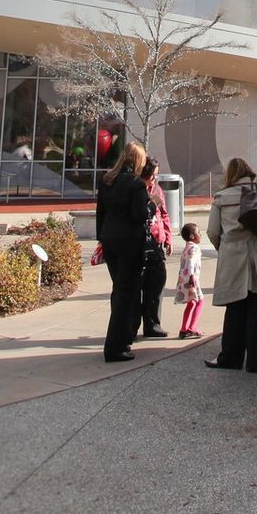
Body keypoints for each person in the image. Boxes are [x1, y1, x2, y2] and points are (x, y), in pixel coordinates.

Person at [204, 156, 257, 374]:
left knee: (235, 309)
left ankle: (230, 358)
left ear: (230, 175)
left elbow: (212, 232)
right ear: (248, 171)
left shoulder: (221, 197)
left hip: (233, 257)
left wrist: (225, 247)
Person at [92, 139, 150, 363]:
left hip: (110, 240)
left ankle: (122, 339)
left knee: (119, 290)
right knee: (126, 293)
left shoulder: (107, 180)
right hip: (129, 243)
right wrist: (151, 204)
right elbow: (139, 216)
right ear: (138, 161)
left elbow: (101, 212)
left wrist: (102, 238)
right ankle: (115, 345)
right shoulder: (135, 184)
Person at [139, 159, 171, 338]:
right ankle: (134, 324)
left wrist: (167, 237)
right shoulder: (137, 190)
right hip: (142, 243)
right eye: (152, 175)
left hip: (157, 242)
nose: (154, 179)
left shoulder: (157, 190)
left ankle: (152, 324)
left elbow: (164, 214)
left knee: (156, 284)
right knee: (139, 286)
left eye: (156, 175)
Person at [174, 222, 205, 339]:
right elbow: (191, 262)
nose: (200, 235)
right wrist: (192, 276)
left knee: (191, 303)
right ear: (192, 236)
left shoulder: (186, 247)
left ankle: (184, 329)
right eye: (199, 233)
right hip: (192, 279)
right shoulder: (194, 248)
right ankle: (192, 328)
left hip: (183, 279)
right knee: (200, 301)